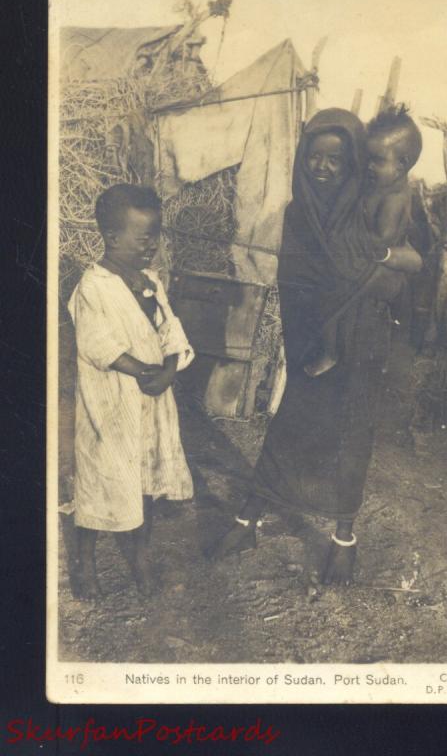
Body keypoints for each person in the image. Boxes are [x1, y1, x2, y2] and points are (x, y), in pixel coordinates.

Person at [207, 108, 422, 585]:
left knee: (352, 434)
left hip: (362, 343)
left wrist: (370, 276)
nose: (322, 168)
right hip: (310, 340)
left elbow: (394, 281)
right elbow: (297, 281)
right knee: (291, 425)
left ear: (352, 165)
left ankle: (344, 541)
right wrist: (326, 318)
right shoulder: (298, 213)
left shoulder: (367, 208)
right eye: (314, 157)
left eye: (335, 160)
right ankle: (248, 520)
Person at [68, 184, 195, 599]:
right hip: (112, 405)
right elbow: (97, 343)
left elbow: (171, 331)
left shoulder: (152, 282)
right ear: (112, 237)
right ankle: (84, 562)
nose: (153, 244)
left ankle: (140, 558)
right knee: (100, 482)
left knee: (143, 484)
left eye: (157, 234)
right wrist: (143, 371)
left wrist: (170, 371)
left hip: (152, 401)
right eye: (144, 237)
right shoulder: (94, 287)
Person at [304, 104, 423, 377]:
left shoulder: (395, 197)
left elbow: (381, 241)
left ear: (402, 165)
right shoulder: (378, 184)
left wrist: (347, 237)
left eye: (378, 160)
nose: (369, 166)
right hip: (364, 256)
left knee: (335, 289)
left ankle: (330, 352)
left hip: (377, 265)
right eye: (367, 158)